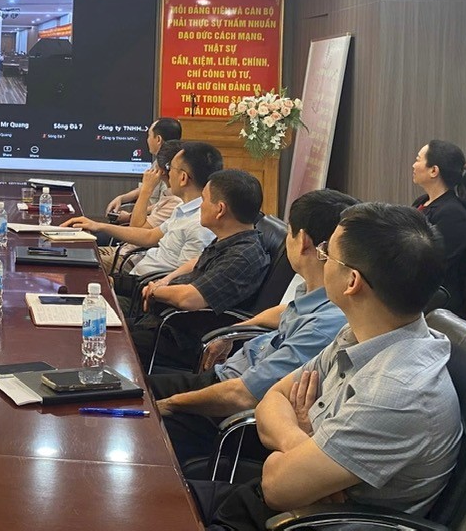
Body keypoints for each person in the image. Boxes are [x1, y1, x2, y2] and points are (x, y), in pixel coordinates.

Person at [197, 203, 460, 531]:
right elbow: (272, 398)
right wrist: (301, 444)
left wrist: (294, 450)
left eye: (327, 253)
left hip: (295, 521)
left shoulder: (399, 392)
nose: (320, 258)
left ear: (352, 281)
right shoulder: (361, 332)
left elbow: (276, 486)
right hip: (272, 506)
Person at [152, 189, 357, 468]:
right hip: (227, 380)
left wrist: (170, 404)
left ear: (303, 242)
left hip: (228, 416)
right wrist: (239, 328)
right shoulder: (313, 293)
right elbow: (286, 311)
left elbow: (243, 395)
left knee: (131, 406)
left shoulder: (326, 325)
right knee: (128, 390)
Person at [132, 169, 271, 371]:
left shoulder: (242, 257)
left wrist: (155, 291)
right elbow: (197, 261)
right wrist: (166, 280)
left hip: (181, 338)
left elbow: (189, 299)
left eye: (204, 200)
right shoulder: (231, 238)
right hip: (164, 322)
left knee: (106, 339)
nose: (200, 205)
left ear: (220, 210)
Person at [106, 141, 225, 300]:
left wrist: (132, 286)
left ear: (183, 178)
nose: (167, 174)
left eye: (171, 168)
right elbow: (149, 236)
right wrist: (98, 226)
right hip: (136, 279)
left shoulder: (199, 225)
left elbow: (183, 280)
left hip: (144, 293)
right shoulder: (182, 208)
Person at [62, 140, 184, 269]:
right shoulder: (169, 196)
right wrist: (127, 216)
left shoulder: (176, 202)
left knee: (72, 263)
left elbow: (137, 229)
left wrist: (146, 190)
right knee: (69, 252)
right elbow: (154, 209)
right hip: (123, 251)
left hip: (131, 259)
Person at [411, 140, 466, 314]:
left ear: (434, 171)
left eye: (418, 159)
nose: (413, 165)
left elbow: (431, 262)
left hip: (433, 295)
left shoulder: (453, 214)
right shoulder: (423, 201)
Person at [106, 118, 183, 217]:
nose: (147, 140)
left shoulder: (170, 167)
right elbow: (145, 188)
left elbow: (165, 205)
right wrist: (122, 198)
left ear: (158, 139)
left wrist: (129, 216)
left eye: (149, 135)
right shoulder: (157, 162)